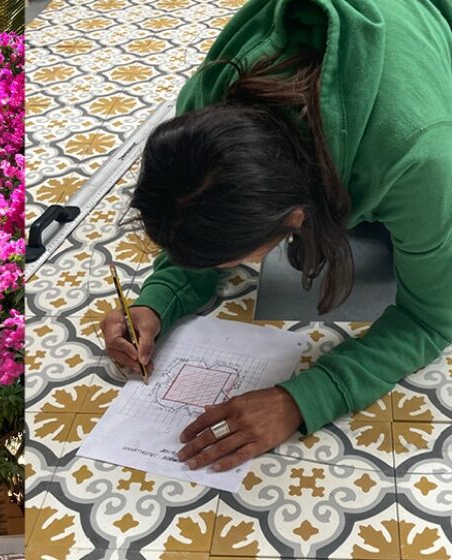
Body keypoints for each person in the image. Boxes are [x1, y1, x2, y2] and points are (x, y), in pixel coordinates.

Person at [101, 0, 452, 473]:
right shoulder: (203, 109)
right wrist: (161, 296)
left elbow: (432, 318)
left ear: (295, 219)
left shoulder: (417, 159)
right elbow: (195, 209)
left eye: (224, 262)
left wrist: (304, 397)